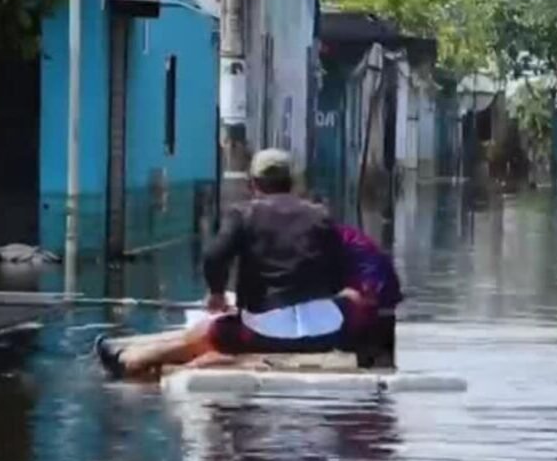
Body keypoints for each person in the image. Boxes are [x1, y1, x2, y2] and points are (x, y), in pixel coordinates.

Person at [95, 148, 349, 378]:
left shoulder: (243, 214)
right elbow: (340, 272)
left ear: (253, 184)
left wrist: (216, 294)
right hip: (325, 330)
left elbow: (213, 257)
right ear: (292, 183)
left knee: (212, 331)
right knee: (229, 325)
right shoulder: (321, 216)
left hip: (268, 333)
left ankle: (130, 359)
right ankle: (128, 349)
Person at [336, 223, 403, 369]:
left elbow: (371, 291)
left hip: (375, 303)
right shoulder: (345, 238)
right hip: (378, 300)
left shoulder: (350, 244)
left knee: (377, 361)